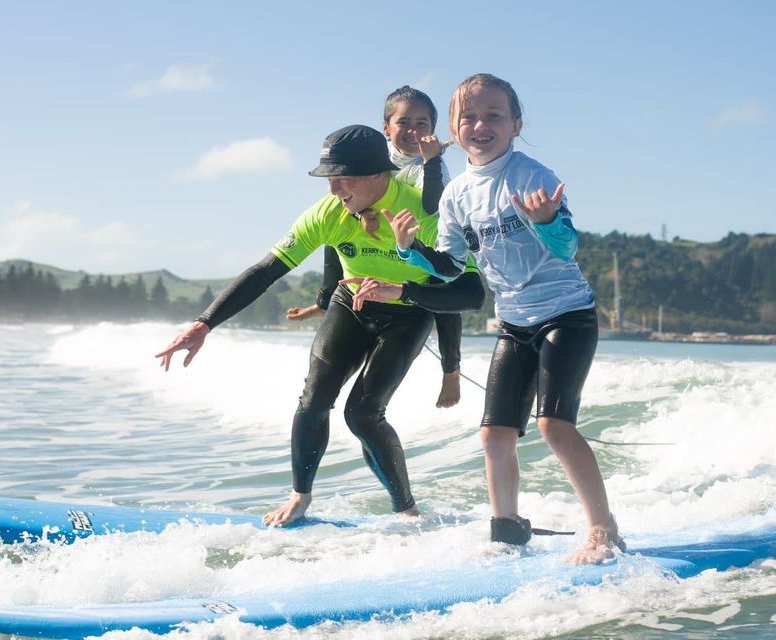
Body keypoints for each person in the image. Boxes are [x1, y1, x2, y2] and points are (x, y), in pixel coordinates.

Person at [156, 125, 484, 527]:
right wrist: (205, 323)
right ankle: (300, 495)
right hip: (352, 303)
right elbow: (265, 272)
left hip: (409, 310)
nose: (334, 190)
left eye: (342, 179)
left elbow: (469, 295)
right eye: (329, 179)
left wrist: (407, 298)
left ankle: (406, 509)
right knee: (312, 401)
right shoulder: (328, 214)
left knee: (363, 414)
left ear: (378, 175)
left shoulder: (424, 213)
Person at [356, 73, 622, 564]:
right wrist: (410, 250)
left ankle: (603, 531)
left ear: (516, 124)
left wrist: (545, 222)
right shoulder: (457, 194)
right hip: (514, 324)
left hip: (567, 314)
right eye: (469, 117)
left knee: (553, 427)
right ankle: (507, 532)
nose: (481, 124)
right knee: (494, 433)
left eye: (494, 115)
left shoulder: (532, 176)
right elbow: (451, 266)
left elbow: (568, 247)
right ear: (454, 131)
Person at [286, 86, 466, 409]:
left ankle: (451, 369)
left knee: (445, 282)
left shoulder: (431, 164)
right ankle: (325, 302)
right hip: (379, 242)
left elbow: (430, 207)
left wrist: (433, 161)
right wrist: (362, 215)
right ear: (386, 127)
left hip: (421, 243)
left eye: (422, 124)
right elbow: (350, 194)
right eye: (404, 122)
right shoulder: (372, 157)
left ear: (433, 131)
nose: (413, 131)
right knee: (334, 235)